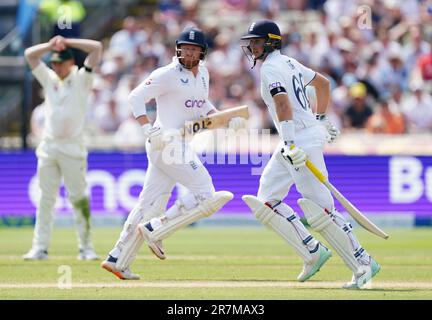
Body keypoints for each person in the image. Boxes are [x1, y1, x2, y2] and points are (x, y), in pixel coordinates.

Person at [240, 20, 380, 289]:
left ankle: (363, 262)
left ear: (270, 41)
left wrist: (293, 140)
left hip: (298, 141)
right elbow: (324, 84)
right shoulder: (290, 63)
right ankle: (311, 251)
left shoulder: (271, 68)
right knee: (267, 200)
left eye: (257, 41)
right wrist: (320, 119)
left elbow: (282, 103)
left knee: (320, 208)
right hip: (296, 139)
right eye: (252, 42)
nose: (252, 46)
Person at [101, 27, 246, 280]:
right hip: (165, 141)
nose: (189, 53)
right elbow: (135, 97)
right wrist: (147, 128)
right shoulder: (166, 74)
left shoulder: (203, 74)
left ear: (202, 53)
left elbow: (203, 106)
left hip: (179, 143)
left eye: (194, 49)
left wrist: (225, 120)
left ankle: (117, 258)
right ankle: (156, 228)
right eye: (185, 48)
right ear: (177, 49)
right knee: (206, 194)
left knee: (150, 204)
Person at [23, 35, 103, 260]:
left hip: (72, 148)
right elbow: (30, 55)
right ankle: (40, 248)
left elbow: (96, 47)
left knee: (78, 199)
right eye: (54, 63)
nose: (55, 66)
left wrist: (67, 42)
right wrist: (50, 45)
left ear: (71, 63)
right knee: (45, 199)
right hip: (49, 147)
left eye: (60, 62)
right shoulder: (49, 79)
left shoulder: (81, 79)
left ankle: (86, 248)